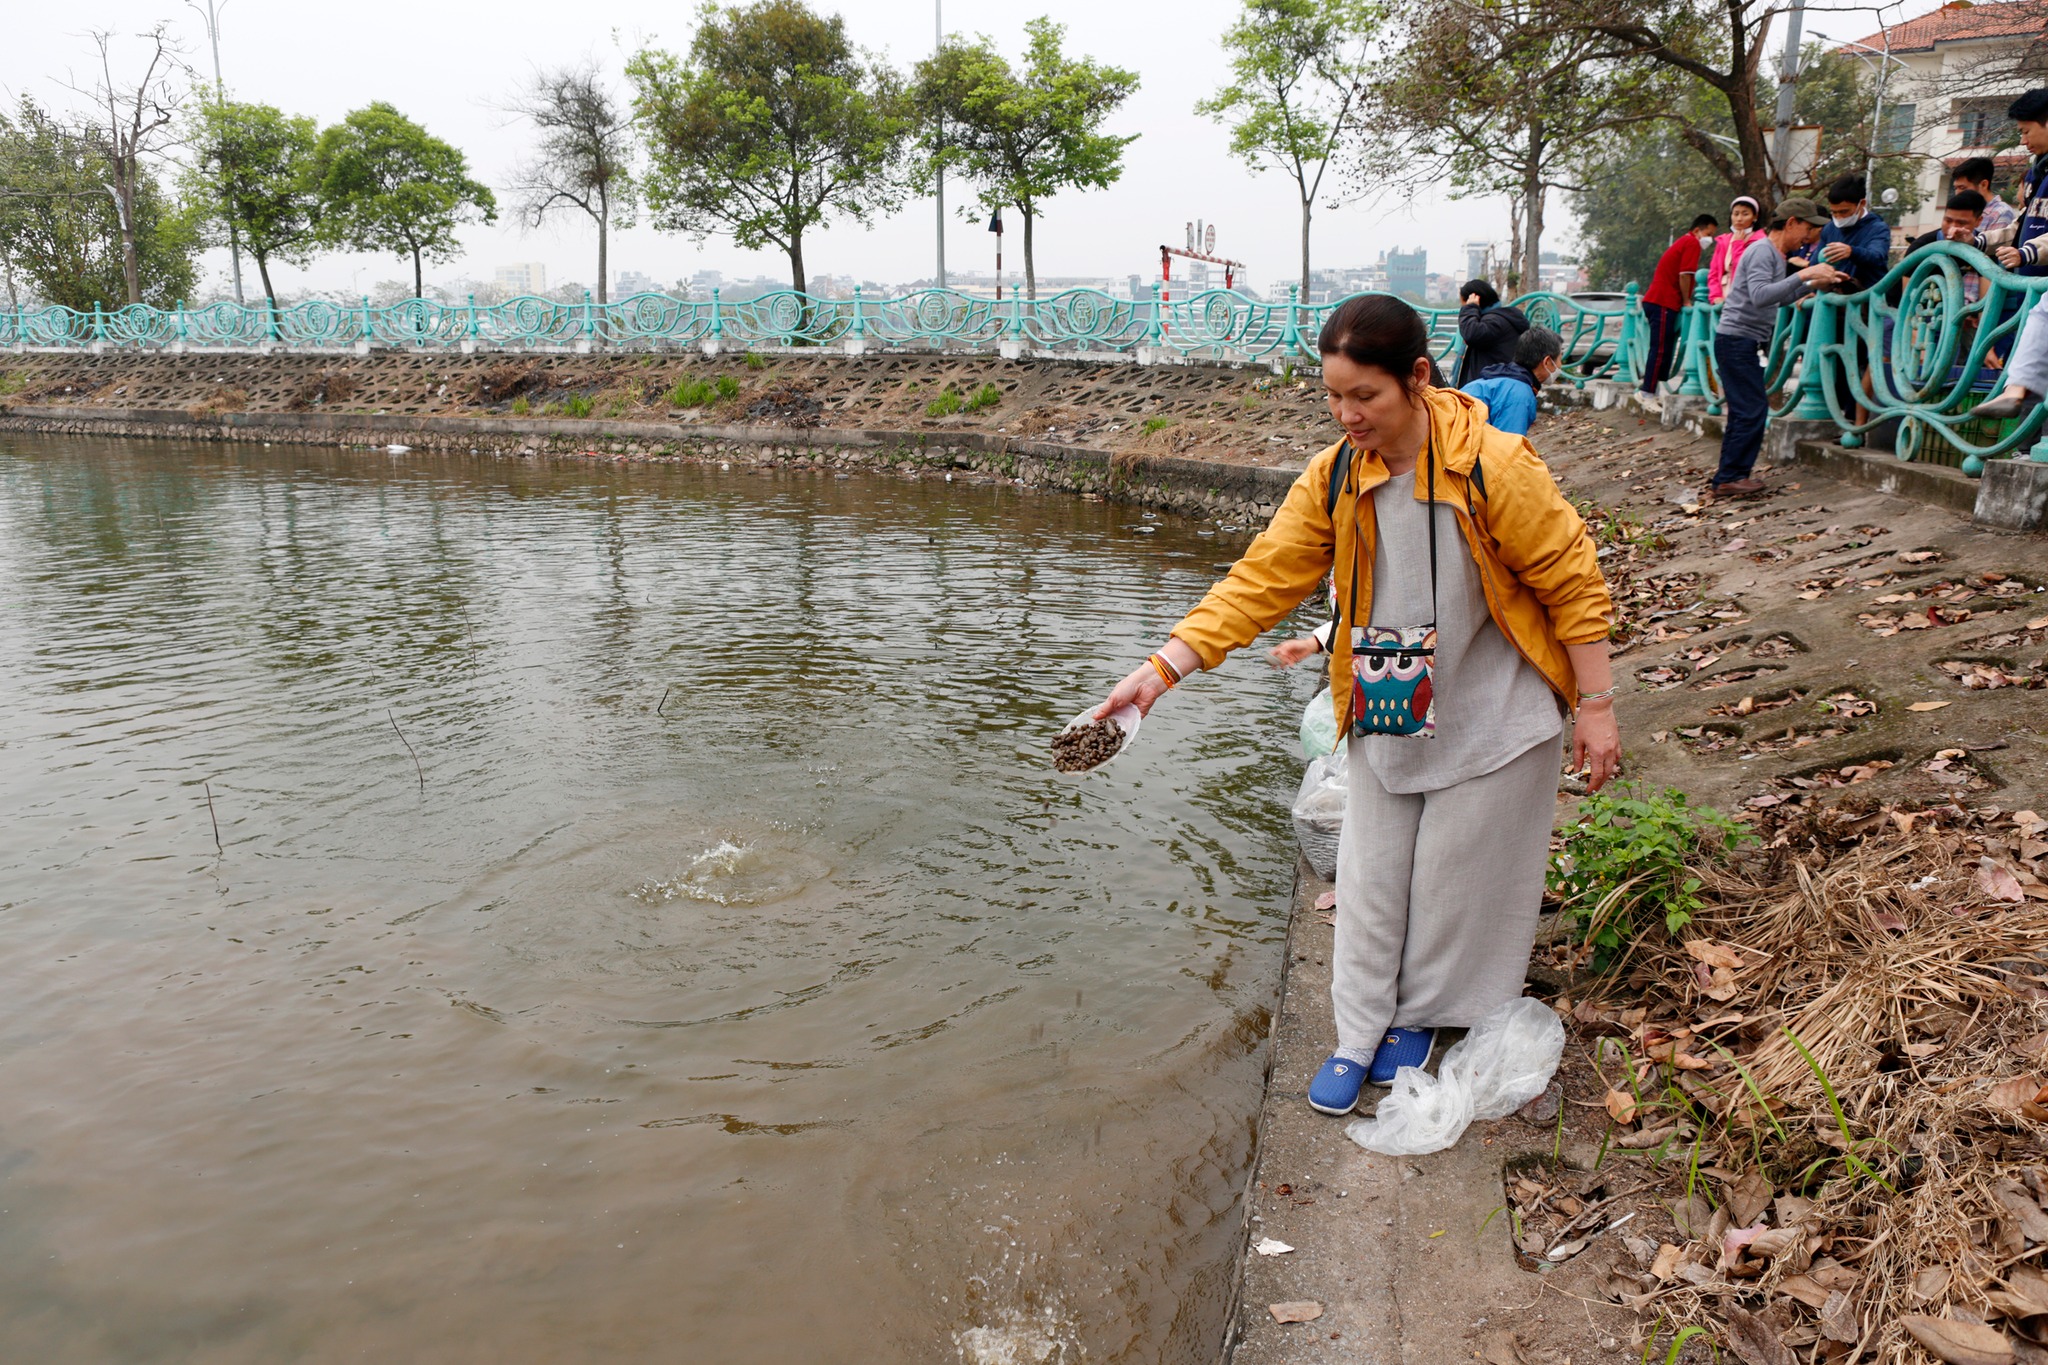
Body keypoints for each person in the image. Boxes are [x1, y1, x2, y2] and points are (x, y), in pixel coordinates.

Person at [1093, 294, 1621, 1119]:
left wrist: (1597, 704)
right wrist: (1161, 670)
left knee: (1453, 877)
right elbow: (1261, 580)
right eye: (1334, 396)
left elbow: (1572, 580)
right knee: (1372, 872)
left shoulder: (1493, 463)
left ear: (1417, 377)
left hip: (1495, 696)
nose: (1348, 415)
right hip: (1393, 685)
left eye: (1364, 395)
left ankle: (1419, 1016)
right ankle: (1359, 1028)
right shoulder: (1337, 473)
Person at [1708, 198, 1851, 499]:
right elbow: (1761, 296)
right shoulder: (1763, 251)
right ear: (1791, 223)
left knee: (1745, 410)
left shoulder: (1773, 254)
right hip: (1736, 340)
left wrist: (1813, 284)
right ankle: (1731, 477)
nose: (1809, 237)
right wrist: (1804, 274)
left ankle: (1728, 477)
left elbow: (1779, 298)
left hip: (1739, 340)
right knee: (1751, 410)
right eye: (1808, 228)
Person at [1640, 214, 1718, 394]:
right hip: (1663, 301)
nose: (1710, 239)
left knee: (1664, 349)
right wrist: (1686, 300)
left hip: (1659, 301)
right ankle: (1647, 392)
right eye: (1708, 234)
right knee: (1660, 350)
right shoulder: (1691, 243)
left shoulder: (1683, 242)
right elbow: (1685, 274)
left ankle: (1652, 390)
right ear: (1697, 230)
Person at [1459, 326, 1562, 436]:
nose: (1560, 365)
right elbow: (1507, 443)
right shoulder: (1519, 394)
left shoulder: (1503, 379)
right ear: (1547, 362)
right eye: (1560, 358)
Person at [1816, 174, 1892, 294]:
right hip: (1834, 297)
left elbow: (1877, 257)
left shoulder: (1877, 228)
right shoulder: (1829, 228)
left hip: (1866, 296)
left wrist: (1852, 252)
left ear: (1861, 204)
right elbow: (1815, 263)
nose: (1838, 217)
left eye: (1844, 211)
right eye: (1834, 212)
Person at [1453, 281, 1530, 387]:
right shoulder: (1501, 318)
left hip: (1492, 387)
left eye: (1463, 304)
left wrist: (1469, 308)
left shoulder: (1494, 322)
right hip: (1500, 383)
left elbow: (1471, 334)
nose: (1462, 307)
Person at [1707, 197, 1763, 304]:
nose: (1739, 219)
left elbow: (1743, 270)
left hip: (1746, 298)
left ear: (1755, 217)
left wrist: (1738, 244)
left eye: (1745, 214)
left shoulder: (1760, 241)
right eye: (1736, 214)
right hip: (1723, 296)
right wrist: (1715, 296)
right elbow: (1714, 272)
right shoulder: (1724, 240)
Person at [1952, 156, 2017, 238]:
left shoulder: (2002, 213)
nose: (1957, 193)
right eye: (1955, 188)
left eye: (1962, 188)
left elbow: (1993, 245)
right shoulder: (1962, 211)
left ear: (1983, 185)